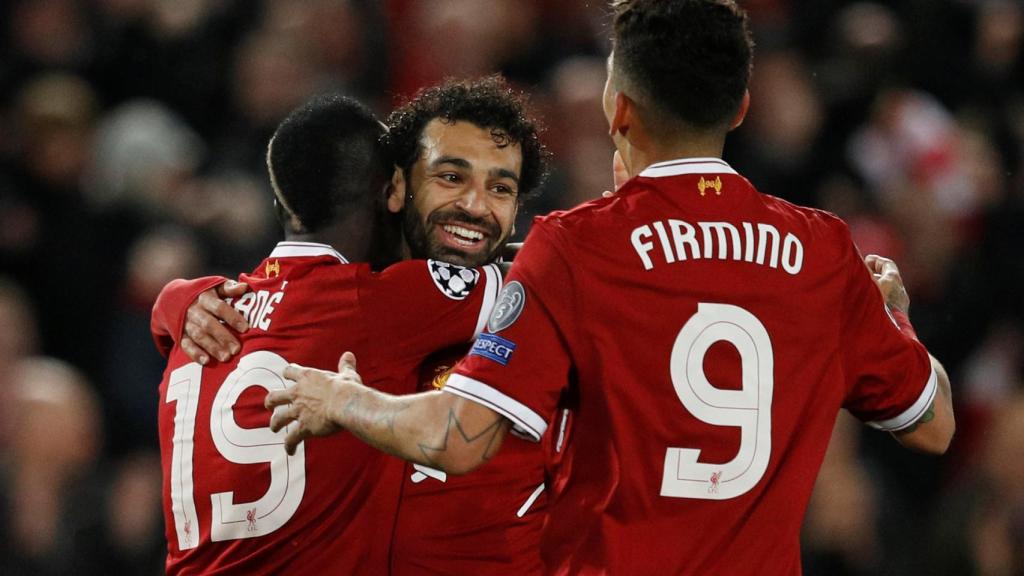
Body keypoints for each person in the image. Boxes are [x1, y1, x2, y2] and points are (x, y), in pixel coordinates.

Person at [267, 1, 955, 574]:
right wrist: (895, 315)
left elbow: (460, 436)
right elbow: (933, 425)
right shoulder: (822, 249)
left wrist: (343, 398)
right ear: (741, 106)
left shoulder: (576, 246)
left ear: (617, 107)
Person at [154, 77, 554, 575]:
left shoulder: (215, 316)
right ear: (396, 192)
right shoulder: (382, 303)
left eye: (500, 188)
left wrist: (172, 302)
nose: (474, 205)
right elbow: (551, 275)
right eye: (450, 177)